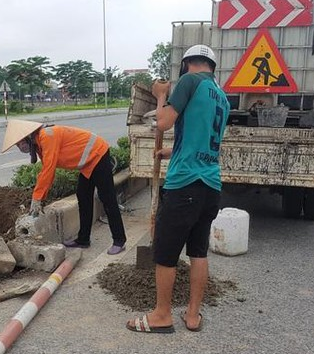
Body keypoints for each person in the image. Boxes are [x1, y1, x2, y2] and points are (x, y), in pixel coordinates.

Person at [126, 44, 230, 333]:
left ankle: (162, 315)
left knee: (166, 253)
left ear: (186, 65)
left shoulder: (189, 82)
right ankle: (193, 315)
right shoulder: (222, 97)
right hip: (210, 185)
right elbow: (204, 142)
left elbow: (162, 122)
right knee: (198, 252)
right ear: (212, 66)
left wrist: (161, 96)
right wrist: (170, 152)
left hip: (185, 184)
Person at [1, 120, 127, 255]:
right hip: (88, 162)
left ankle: (119, 240)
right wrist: (40, 196)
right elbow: (45, 171)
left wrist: (37, 198)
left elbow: (49, 169)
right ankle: (83, 239)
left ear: (27, 136)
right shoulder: (38, 142)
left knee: (107, 198)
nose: (20, 147)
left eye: (20, 143)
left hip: (98, 154)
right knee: (83, 196)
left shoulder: (46, 136)